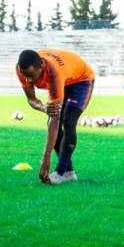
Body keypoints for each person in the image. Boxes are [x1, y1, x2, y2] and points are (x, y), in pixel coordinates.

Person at [16, 49, 94, 184]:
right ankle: (68, 173)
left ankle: (61, 172)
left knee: (68, 121)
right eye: (25, 76)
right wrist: (44, 107)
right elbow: (31, 99)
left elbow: (55, 120)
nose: (28, 80)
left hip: (81, 80)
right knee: (52, 118)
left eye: (31, 76)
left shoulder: (53, 74)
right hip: (65, 75)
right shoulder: (21, 70)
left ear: (41, 66)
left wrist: (46, 158)